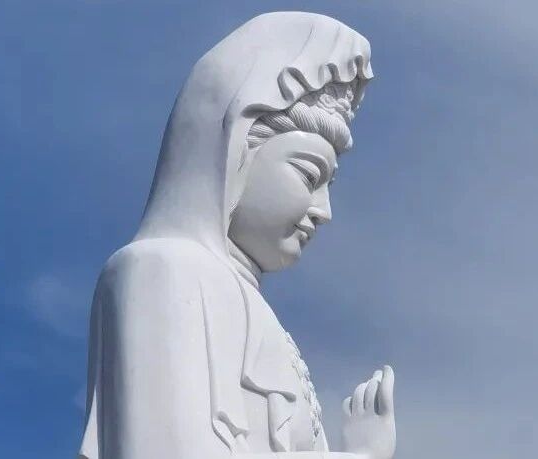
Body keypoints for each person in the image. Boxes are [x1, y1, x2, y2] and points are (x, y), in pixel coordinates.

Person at [77, 12, 396, 459]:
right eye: (309, 175)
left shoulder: (257, 316)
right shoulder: (161, 270)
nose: (323, 211)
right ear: (236, 151)